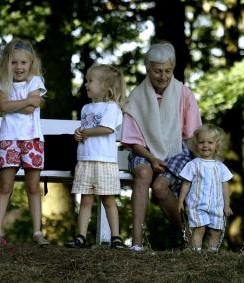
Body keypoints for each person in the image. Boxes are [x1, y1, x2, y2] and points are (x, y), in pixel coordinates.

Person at [121, 41, 202, 251]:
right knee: (143, 172)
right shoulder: (137, 96)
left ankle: (189, 238)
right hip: (144, 151)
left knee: (160, 188)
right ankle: (137, 242)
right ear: (148, 69)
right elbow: (133, 140)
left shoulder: (184, 94)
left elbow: (191, 136)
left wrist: (199, 167)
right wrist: (151, 158)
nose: (163, 76)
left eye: (168, 71)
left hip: (176, 150)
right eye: (157, 71)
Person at [0, 38, 49, 246]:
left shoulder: (35, 82)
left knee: (32, 187)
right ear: (7, 64)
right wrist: (26, 101)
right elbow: (3, 105)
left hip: (32, 140)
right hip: (8, 139)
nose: (19, 67)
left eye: (23, 62)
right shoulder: (3, 83)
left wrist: (16, 104)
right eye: (14, 62)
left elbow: (32, 109)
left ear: (31, 64)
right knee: (5, 185)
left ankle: (38, 232)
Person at [65, 64, 128, 249]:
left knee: (108, 199)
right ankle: (81, 236)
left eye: (90, 81)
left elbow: (107, 129)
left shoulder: (111, 107)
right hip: (85, 159)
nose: (86, 85)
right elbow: (85, 129)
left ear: (105, 86)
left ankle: (116, 237)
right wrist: (79, 132)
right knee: (86, 199)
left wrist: (85, 132)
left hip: (104, 161)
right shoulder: (86, 108)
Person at [177, 124, 233, 252]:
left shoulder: (221, 167)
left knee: (216, 230)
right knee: (199, 228)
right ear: (196, 144)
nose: (205, 145)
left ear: (217, 145)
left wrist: (227, 205)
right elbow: (186, 184)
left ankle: (212, 252)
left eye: (210, 142)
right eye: (201, 142)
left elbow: (225, 187)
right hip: (197, 204)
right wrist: (180, 201)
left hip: (217, 205)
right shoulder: (193, 165)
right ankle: (196, 251)